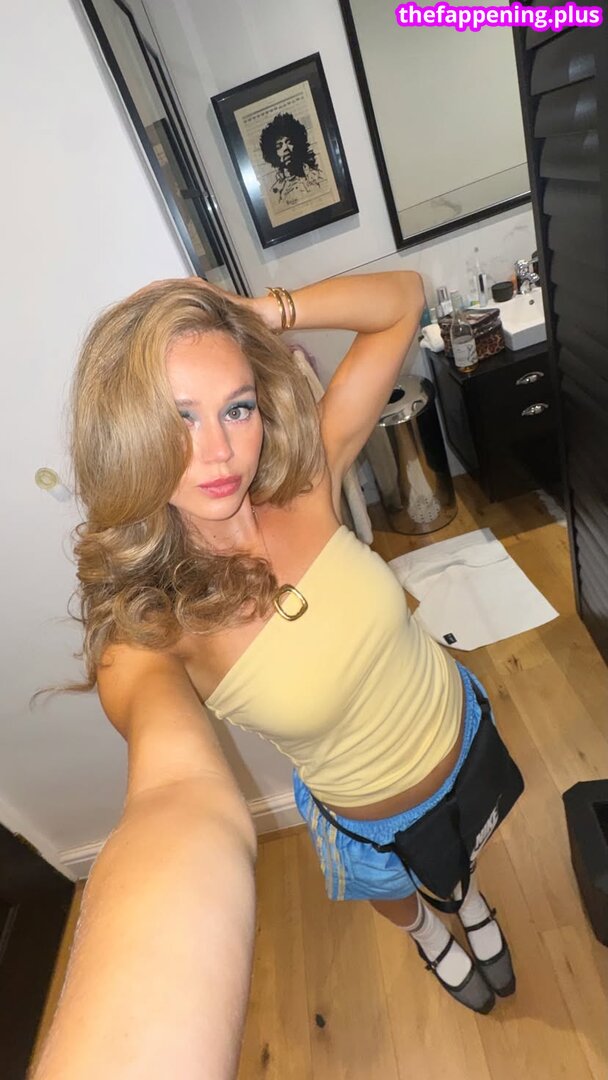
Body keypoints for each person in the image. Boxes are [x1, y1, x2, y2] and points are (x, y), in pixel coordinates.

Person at [37, 270, 518, 1076]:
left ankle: (464, 898)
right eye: (178, 418)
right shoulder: (152, 630)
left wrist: (254, 314)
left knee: (459, 858)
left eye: (236, 407)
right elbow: (172, 798)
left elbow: (402, 301)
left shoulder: (305, 482)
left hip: (460, 737)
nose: (220, 452)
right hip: (372, 823)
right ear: (126, 436)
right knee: (399, 890)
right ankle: (429, 934)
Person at [259, 112, 324, 205]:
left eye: (289, 142)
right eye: (279, 146)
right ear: (272, 154)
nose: (285, 148)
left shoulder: (317, 175)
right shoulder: (275, 192)